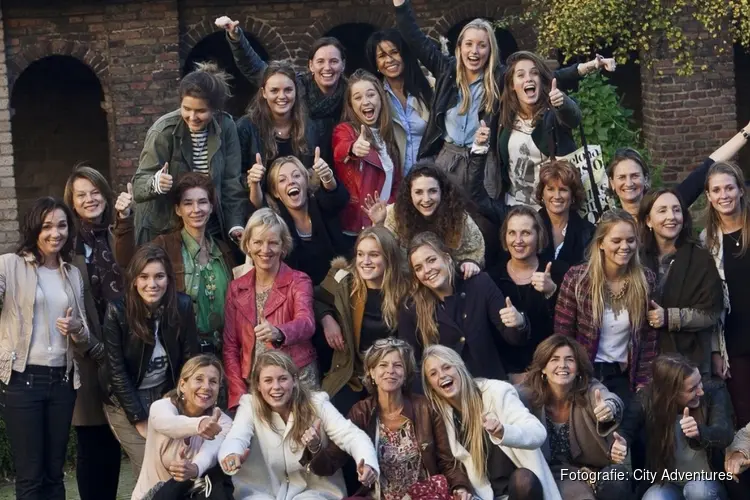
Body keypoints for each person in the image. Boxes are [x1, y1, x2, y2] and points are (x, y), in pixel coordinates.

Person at [391, 0, 611, 199]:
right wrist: (401, 5)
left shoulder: (500, 77)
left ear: (490, 50)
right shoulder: (447, 70)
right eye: (469, 44)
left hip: (483, 162)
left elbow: (546, 77)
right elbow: (416, 40)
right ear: (459, 47)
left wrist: (588, 66)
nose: (474, 51)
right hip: (447, 160)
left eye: (482, 45)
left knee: (483, 219)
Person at [0, 197, 91, 500]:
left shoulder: (72, 274)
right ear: (34, 229)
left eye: (62, 225)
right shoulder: (10, 265)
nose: (56, 233)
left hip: (62, 382)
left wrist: (76, 328)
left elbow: (84, 336)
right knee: (30, 477)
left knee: (54, 475)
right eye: (47, 226)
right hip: (23, 380)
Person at [313, 338, 473, 499]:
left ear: (406, 374)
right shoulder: (361, 412)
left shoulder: (425, 408)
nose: (390, 370)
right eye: (383, 365)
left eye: (398, 365)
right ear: (372, 373)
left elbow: (447, 461)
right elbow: (329, 464)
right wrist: (314, 446)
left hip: (423, 495)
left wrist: (460, 486)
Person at [63, 165, 137, 500]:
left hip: (124, 347)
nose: (89, 199)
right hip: (86, 353)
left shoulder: (117, 233)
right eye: (81, 195)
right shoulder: (67, 243)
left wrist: (125, 220)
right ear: (72, 201)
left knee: (128, 438)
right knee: (94, 443)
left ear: (106, 196)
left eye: (95, 192)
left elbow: (129, 264)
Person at [218, 350, 379, 499]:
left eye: (283, 379)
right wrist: (231, 454)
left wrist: (367, 463)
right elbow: (237, 436)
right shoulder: (249, 405)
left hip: (313, 490)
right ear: (258, 385)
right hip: (261, 491)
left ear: (294, 380)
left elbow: (351, 435)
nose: (276, 387)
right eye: (268, 380)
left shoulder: (316, 402)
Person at [102, 244, 199, 478]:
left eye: (159, 276)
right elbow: (117, 371)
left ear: (169, 279)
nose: (152, 284)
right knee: (148, 461)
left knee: (172, 460)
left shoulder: (183, 306)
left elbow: (190, 361)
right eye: (144, 277)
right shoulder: (117, 311)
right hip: (126, 397)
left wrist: (181, 402)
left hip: (165, 393)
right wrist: (139, 418)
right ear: (134, 280)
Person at [422, 345, 560, 500]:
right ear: (430, 386)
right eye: (433, 373)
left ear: (460, 367)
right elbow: (450, 464)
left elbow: (537, 432)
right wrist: (461, 487)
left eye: (447, 367)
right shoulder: (441, 415)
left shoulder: (497, 392)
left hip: (520, 490)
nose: (442, 375)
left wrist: (503, 432)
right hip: (484, 495)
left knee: (523, 480)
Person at [132, 62, 246, 245]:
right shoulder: (163, 131)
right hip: (165, 227)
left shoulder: (226, 126)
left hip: (209, 226)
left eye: (201, 111)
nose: (192, 117)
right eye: (186, 109)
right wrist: (156, 183)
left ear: (215, 109)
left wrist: (235, 225)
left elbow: (231, 182)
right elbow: (138, 185)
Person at [554, 209, 659, 403]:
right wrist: (571, 380)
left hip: (623, 376)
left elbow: (648, 339)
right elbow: (563, 335)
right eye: (616, 241)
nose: (624, 247)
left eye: (630, 240)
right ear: (601, 243)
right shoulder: (577, 279)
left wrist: (643, 385)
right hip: (584, 374)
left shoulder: (646, 281)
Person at [399, 231, 529, 382]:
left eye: (432, 260)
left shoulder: (478, 283)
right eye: (418, 268)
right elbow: (411, 363)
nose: (427, 270)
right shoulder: (411, 308)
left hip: (490, 383)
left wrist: (519, 322)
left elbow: (513, 338)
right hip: (447, 389)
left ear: (447, 258)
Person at [223, 208, 316, 411]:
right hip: (255, 385)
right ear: (247, 244)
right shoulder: (236, 288)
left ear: (283, 246)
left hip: (296, 380)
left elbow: (307, 323)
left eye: (273, 242)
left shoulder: (298, 281)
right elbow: (230, 347)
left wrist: (279, 332)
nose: (265, 249)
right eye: (258, 242)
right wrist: (239, 396)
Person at [517, 335, 630, 500]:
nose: (562, 365)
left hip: (589, 473)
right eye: (554, 359)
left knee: (618, 476)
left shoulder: (589, 388)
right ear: (543, 368)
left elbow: (610, 399)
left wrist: (609, 408)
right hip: (545, 474)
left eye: (569, 360)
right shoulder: (527, 394)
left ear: (577, 368)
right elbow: (506, 397)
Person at [217, 15, 347, 158]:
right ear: (311, 65)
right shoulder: (295, 84)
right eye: (320, 61)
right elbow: (254, 67)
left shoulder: (351, 95)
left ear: (343, 65)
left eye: (334, 61)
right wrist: (236, 38)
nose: (327, 67)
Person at [612, 354, 733, 500]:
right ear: (670, 393)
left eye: (699, 382)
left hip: (707, 480)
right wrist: (621, 443)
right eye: (692, 389)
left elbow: (725, 433)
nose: (700, 391)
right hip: (667, 482)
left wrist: (700, 433)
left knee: (699, 491)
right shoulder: (646, 399)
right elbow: (627, 429)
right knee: (655, 498)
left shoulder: (713, 391)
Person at [316, 226, 409, 412]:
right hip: (352, 374)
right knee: (330, 413)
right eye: (360, 254)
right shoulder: (344, 282)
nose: (365, 261)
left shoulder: (406, 289)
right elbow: (315, 298)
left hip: (392, 373)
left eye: (374, 255)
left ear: (388, 257)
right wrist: (327, 319)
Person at [638, 188, 723, 376]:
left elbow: (711, 314)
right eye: (662, 210)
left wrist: (669, 317)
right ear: (648, 220)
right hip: (645, 363)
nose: (671, 216)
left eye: (676, 210)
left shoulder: (701, 259)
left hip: (691, 363)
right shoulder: (636, 260)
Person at [152, 173, 236, 355]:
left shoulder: (224, 250)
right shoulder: (165, 245)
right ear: (178, 210)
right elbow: (129, 264)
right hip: (185, 350)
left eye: (202, 202)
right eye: (188, 203)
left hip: (225, 350)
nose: (196, 209)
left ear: (211, 207)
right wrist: (124, 221)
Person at [132, 354, 235, 500]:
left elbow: (210, 453)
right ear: (182, 385)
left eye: (213, 382)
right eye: (199, 379)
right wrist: (200, 424)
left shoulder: (223, 422)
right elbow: (169, 424)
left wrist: (194, 469)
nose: (206, 387)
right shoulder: (161, 407)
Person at [607, 120, 750, 220]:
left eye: (634, 175)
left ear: (646, 179)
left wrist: (747, 131)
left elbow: (707, 167)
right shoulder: (609, 222)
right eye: (621, 177)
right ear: (612, 183)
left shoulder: (668, 205)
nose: (629, 183)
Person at [364, 162, 485, 279]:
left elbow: (475, 251)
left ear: (442, 191)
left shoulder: (457, 216)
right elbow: (383, 253)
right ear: (409, 194)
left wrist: (469, 262)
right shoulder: (394, 214)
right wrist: (378, 224)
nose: (426, 199)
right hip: (405, 280)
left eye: (432, 191)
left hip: (445, 280)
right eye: (419, 192)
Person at [700, 161, 750, 429]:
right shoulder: (707, 241)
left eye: (729, 188)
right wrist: (716, 351)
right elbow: (710, 302)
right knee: (745, 418)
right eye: (716, 190)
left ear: (741, 190)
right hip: (735, 340)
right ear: (709, 196)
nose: (724, 195)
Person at [498, 52, 581, 209]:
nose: (528, 78)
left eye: (534, 73)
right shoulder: (505, 117)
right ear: (512, 85)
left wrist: (562, 103)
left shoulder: (553, 114)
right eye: (520, 75)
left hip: (549, 209)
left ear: (541, 80)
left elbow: (574, 118)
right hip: (514, 207)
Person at [239, 61, 327, 209]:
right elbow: (236, 176)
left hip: (301, 206)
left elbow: (316, 175)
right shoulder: (246, 127)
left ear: (296, 91)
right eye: (274, 90)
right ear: (264, 93)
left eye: (288, 90)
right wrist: (251, 181)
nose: (282, 96)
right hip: (260, 209)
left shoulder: (310, 128)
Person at [488, 206, 559, 382]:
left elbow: (565, 329)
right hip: (505, 377)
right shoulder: (491, 278)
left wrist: (552, 293)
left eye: (525, 233)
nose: (518, 240)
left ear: (538, 236)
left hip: (550, 374)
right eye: (512, 233)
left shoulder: (558, 272)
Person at [259, 154, 351, 286]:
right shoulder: (276, 227)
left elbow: (337, 198)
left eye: (296, 176)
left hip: (338, 289)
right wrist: (254, 184)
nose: (291, 181)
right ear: (276, 192)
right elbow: (255, 209)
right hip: (298, 294)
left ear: (306, 181)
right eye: (282, 180)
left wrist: (327, 177)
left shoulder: (322, 205)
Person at [333, 69, 402, 238]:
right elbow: (340, 149)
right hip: (357, 227)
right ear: (351, 104)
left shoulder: (388, 135)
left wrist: (389, 215)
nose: (366, 101)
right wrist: (353, 148)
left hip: (385, 225)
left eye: (371, 95)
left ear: (380, 98)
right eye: (358, 97)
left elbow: (396, 184)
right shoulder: (345, 130)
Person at [365, 28, 433, 174]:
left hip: (430, 176)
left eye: (394, 52)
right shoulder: (374, 96)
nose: (389, 60)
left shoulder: (430, 87)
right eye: (382, 56)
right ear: (376, 63)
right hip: (394, 179)